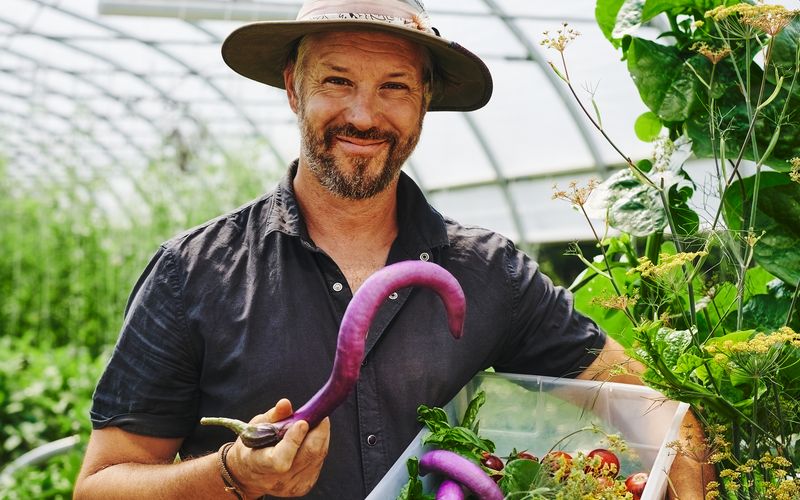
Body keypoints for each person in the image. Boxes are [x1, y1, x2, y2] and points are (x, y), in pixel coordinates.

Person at [74, 0, 711, 498]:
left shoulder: (489, 271)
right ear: (294, 89)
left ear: (425, 101)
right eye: (337, 80)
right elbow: (102, 485)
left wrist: (679, 439)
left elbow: (640, 399)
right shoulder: (194, 274)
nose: (364, 114)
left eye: (395, 87)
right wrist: (235, 477)